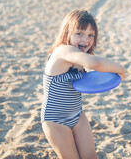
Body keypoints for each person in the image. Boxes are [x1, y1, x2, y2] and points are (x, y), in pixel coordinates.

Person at [41, 9, 125, 158]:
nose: (86, 40)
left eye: (90, 35)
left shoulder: (79, 57)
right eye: (79, 33)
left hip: (77, 115)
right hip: (55, 120)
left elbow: (93, 75)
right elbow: (95, 63)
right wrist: (120, 70)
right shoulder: (63, 52)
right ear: (67, 33)